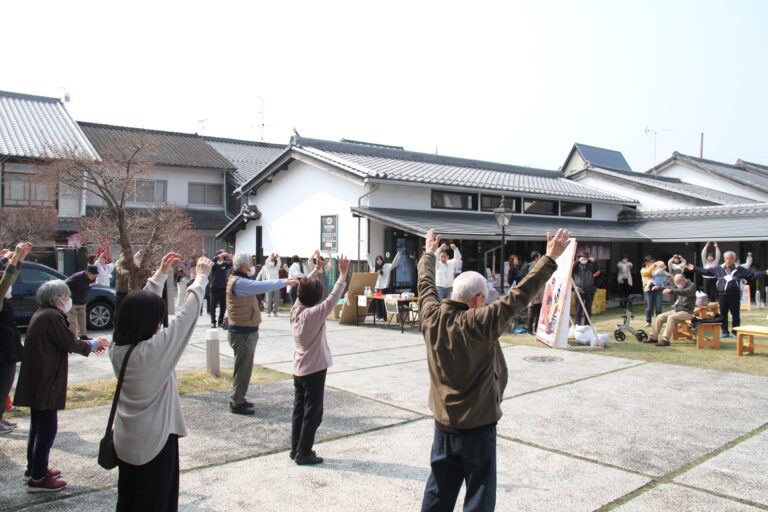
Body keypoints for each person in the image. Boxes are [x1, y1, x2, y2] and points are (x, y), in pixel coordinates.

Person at [418, 228, 571, 511]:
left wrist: (428, 254)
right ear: (477, 299)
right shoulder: (479, 322)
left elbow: (425, 285)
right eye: (485, 297)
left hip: (444, 422)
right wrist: (550, 258)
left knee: (439, 487)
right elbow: (519, 297)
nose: (487, 302)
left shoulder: (431, 316)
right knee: (479, 492)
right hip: (478, 425)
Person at [109, 253, 212, 510]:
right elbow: (185, 320)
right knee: (156, 502)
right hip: (154, 443)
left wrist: (159, 277)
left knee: (129, 499)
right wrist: (200, 279)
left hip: (127, 439)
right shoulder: (152, 353)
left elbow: (137, 307)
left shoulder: (117, 347)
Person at [13, 280, 108, 492]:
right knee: (46, 429)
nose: (68, 300)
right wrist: (94, 344)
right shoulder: (51, 316)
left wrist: (91, 346)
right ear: (56, 298)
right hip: (45, 380)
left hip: (39, 378)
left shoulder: (43, 314)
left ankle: (35, 468)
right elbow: (69, 342)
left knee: (38, 427)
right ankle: (38, 478)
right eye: (66, 296)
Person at [289, 250, 350, 465]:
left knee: (299, 411)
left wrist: (317, 269)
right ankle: (304, 452)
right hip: (314, 369)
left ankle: (296, 447)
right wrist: (342, 275)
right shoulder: (313, 315)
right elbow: (333, 299)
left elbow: (302, 289)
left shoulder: (295, 311)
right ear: (316, 298)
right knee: (313, 413)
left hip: (298, 369)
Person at [227, 253, 296, 415]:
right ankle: (237, 402)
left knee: (245, 367)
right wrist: (284, 281)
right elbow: (262, 286)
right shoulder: (240, 282)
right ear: (243, 266)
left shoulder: (240, 280)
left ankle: (240, 397)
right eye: (250, 263)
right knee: (242, 368)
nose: (252, 265)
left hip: (246, 330)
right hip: (242, 332)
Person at [689, 252, 766, 338]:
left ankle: (735, 331)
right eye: (727, 258)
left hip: (734, 295)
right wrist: (694, 268)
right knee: (723, 314)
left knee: (735, 314)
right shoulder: (719, 268)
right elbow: (707, 271)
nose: (728, 260)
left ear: (734, 259)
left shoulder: (739, 269)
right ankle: (724, 331)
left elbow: (752, 275)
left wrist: (765, 273)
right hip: (722, 295)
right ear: (724, 259)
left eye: (731, 258)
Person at [0, 243, 33, 435]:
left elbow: (8, 279)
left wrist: (20, 257)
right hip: (3, 350)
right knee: (3, 384)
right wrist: (17, 256)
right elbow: (7, 280)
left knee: (5, 386)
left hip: (7, 347)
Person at [645, 274, 696, 347]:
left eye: (677, 283)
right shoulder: (680, 285)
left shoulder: (691, 286)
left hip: (687, 312)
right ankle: (653, 337)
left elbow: (685, 291)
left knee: (671, 317)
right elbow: (671, 287)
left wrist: (671, 291)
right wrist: (659, 288)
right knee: (660, 317)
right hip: (677, 310)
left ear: (683, 281)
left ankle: (665, 340)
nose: (677, 285)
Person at [65, 264, 99, 340]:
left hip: (82, 301)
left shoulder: (91, 279)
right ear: (88, 273)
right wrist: (68, 296)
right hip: (72, 302)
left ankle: (83, 335)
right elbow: (65, 283)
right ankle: (72, 337)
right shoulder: (77, 277)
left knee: (82, 319)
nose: (94, 276)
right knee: (72, 321)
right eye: (93, 274)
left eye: (95, 275)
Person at [368, 251, 402, 320]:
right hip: (378, 288)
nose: (379, 261)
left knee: (383, 302)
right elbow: (370, 264)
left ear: (382, 260)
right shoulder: (375, 268)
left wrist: (398, 255)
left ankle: (384, 317)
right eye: (377, 260)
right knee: (378, 301)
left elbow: (394, 264)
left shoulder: (386, 266)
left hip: (384, 287)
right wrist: (367, 256)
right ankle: (378, 316)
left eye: (380, 260)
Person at [572, 252, 599, 325]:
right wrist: (578, 261)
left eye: (585, 258)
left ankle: (587, 324)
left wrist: (594, 262)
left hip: (589, 290)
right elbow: (571, 269)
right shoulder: (577, 266)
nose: (583, 259)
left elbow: (597, 272)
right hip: (579, 290)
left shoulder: (590, 266)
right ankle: (577, 324)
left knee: (588, 308)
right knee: (578, 308)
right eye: (582, 257)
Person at [209, 251, 233, 328]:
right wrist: (219, 255)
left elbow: (232, 263)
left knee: (223, 306)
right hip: (214, 287)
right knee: (213, 306)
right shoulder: (214, 264)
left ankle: (220, 321)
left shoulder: (224, 264)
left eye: (222, 256)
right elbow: (212, 261)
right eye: (220, 256)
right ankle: (213, 321)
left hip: (223, 287)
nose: (221, 258)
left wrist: (231, 257)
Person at [257, 252, 282, 316]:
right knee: (269, 299)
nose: (271, 263)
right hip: (269, 284)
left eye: (273, 262)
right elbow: (267, 261)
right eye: (271, 262)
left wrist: (278, 257)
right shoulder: (267, 268)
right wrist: (271, 256)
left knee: (276, 299)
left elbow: (279, 263)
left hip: (276, 284)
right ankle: (268, 311)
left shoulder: (276, 268)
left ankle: (275, 311)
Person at [644, 261, 667, 327]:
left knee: (658, 306)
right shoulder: (652, 270)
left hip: (658, 289)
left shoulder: (663, 272)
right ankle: (648, 321)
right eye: (659, 266)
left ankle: (659, 322)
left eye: (661, 267)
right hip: (650, 289)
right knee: (649, 306)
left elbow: (665, 278)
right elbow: (646, 275)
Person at [525, 251, 544, 334]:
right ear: (536, 258)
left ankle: (537, 329)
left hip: (540, 292)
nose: (540, 258)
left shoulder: (540, 266)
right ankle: (529, 330)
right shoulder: (531, 267)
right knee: (532, 313)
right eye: (539, 256)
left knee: (539, 313)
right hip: (534, 293)